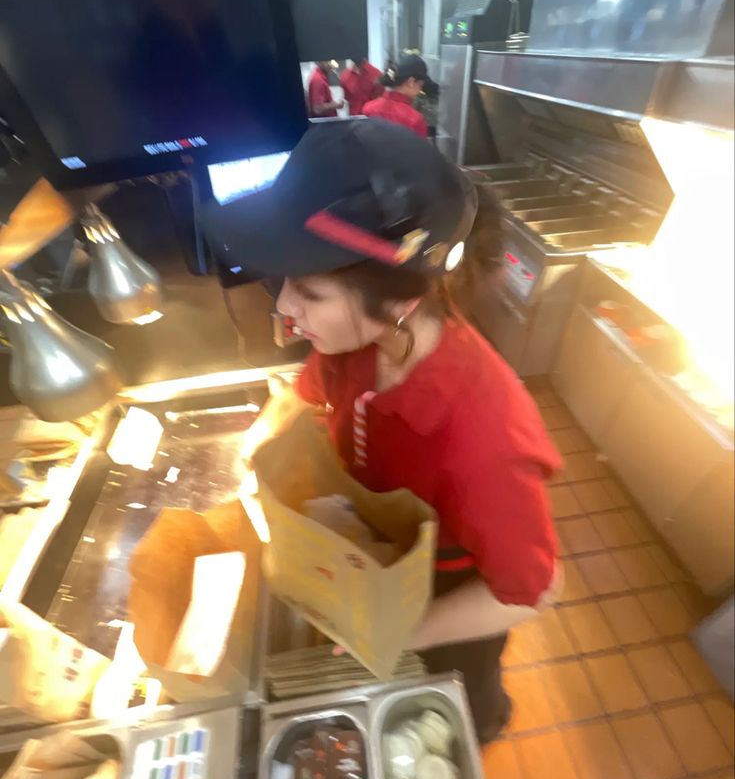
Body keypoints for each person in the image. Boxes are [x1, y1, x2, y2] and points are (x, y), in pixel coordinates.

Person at [203, 119, 561, 744]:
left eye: (310, 292)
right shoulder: (354, 343)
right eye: (285, 282)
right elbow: (305, 391)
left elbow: (533, 590)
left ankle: (487, 724)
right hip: (379, 560)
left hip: (453, 594)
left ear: (399, 303)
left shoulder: (483, 435)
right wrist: (252, 447)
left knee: (461, 704)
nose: (285, 308)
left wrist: (405, 633)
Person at [362, 53, 432, 138]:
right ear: (411, 82)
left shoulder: (368, 109)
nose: (420, 90)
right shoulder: (414, 120)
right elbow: (419, 150)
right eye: (420, 85)